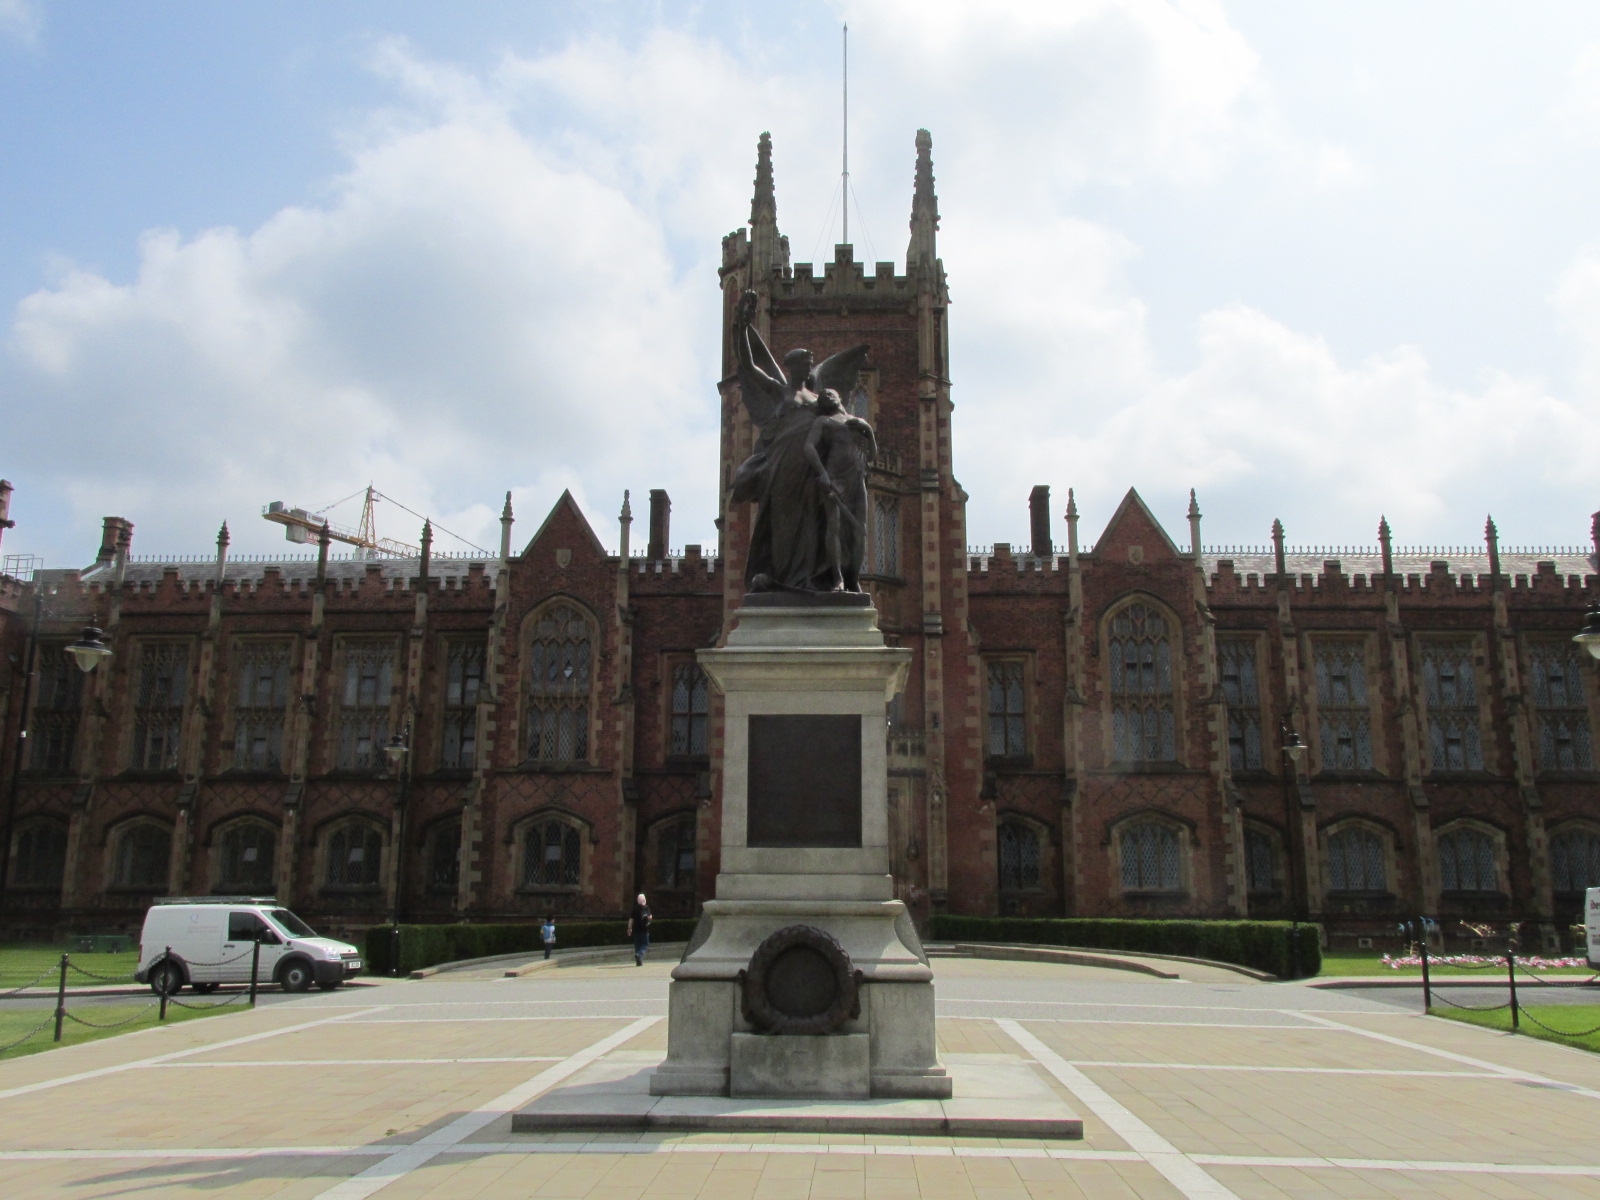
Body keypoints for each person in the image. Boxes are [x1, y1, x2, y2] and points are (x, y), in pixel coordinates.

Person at [803, 388, 876, 592]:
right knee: (833, 527)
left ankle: (854, 577)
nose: (827, 395)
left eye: (830, 393)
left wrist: (868, 430)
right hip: (835, 479)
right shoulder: (823, 421)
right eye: (823, 396)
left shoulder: (857, 422)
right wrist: (822, 473)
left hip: (857, 480)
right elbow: (809, 447)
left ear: (840, 397)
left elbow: (872, 456)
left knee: (860, 530)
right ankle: (838, 578)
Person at [627, 893, 652, 966]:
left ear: (638, 901)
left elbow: (631, 919)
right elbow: (650, 917)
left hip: (636, 931)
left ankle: (638, 961)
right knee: (645, 945)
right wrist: (649, 918)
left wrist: (629, 928)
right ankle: (639, 954)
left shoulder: (635, 909)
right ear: (644, 900)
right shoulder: (647, 908)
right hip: (645, 930)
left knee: (637, 946)